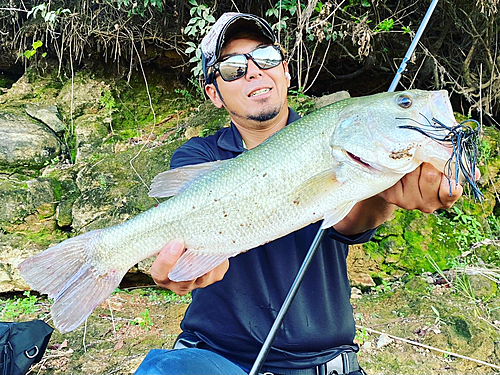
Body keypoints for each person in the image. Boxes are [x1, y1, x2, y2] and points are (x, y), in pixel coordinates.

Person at [134, 12, 463, 375]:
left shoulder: (333, 142)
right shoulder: (199, 157)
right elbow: (190, 247)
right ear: (214, 93)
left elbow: (347, 221)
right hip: (214, 358)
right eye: (232, 68)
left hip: (328, 363)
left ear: (286, 70)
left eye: (267, 58)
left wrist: (386, 193)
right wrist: (194, 264)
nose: (254, 72)